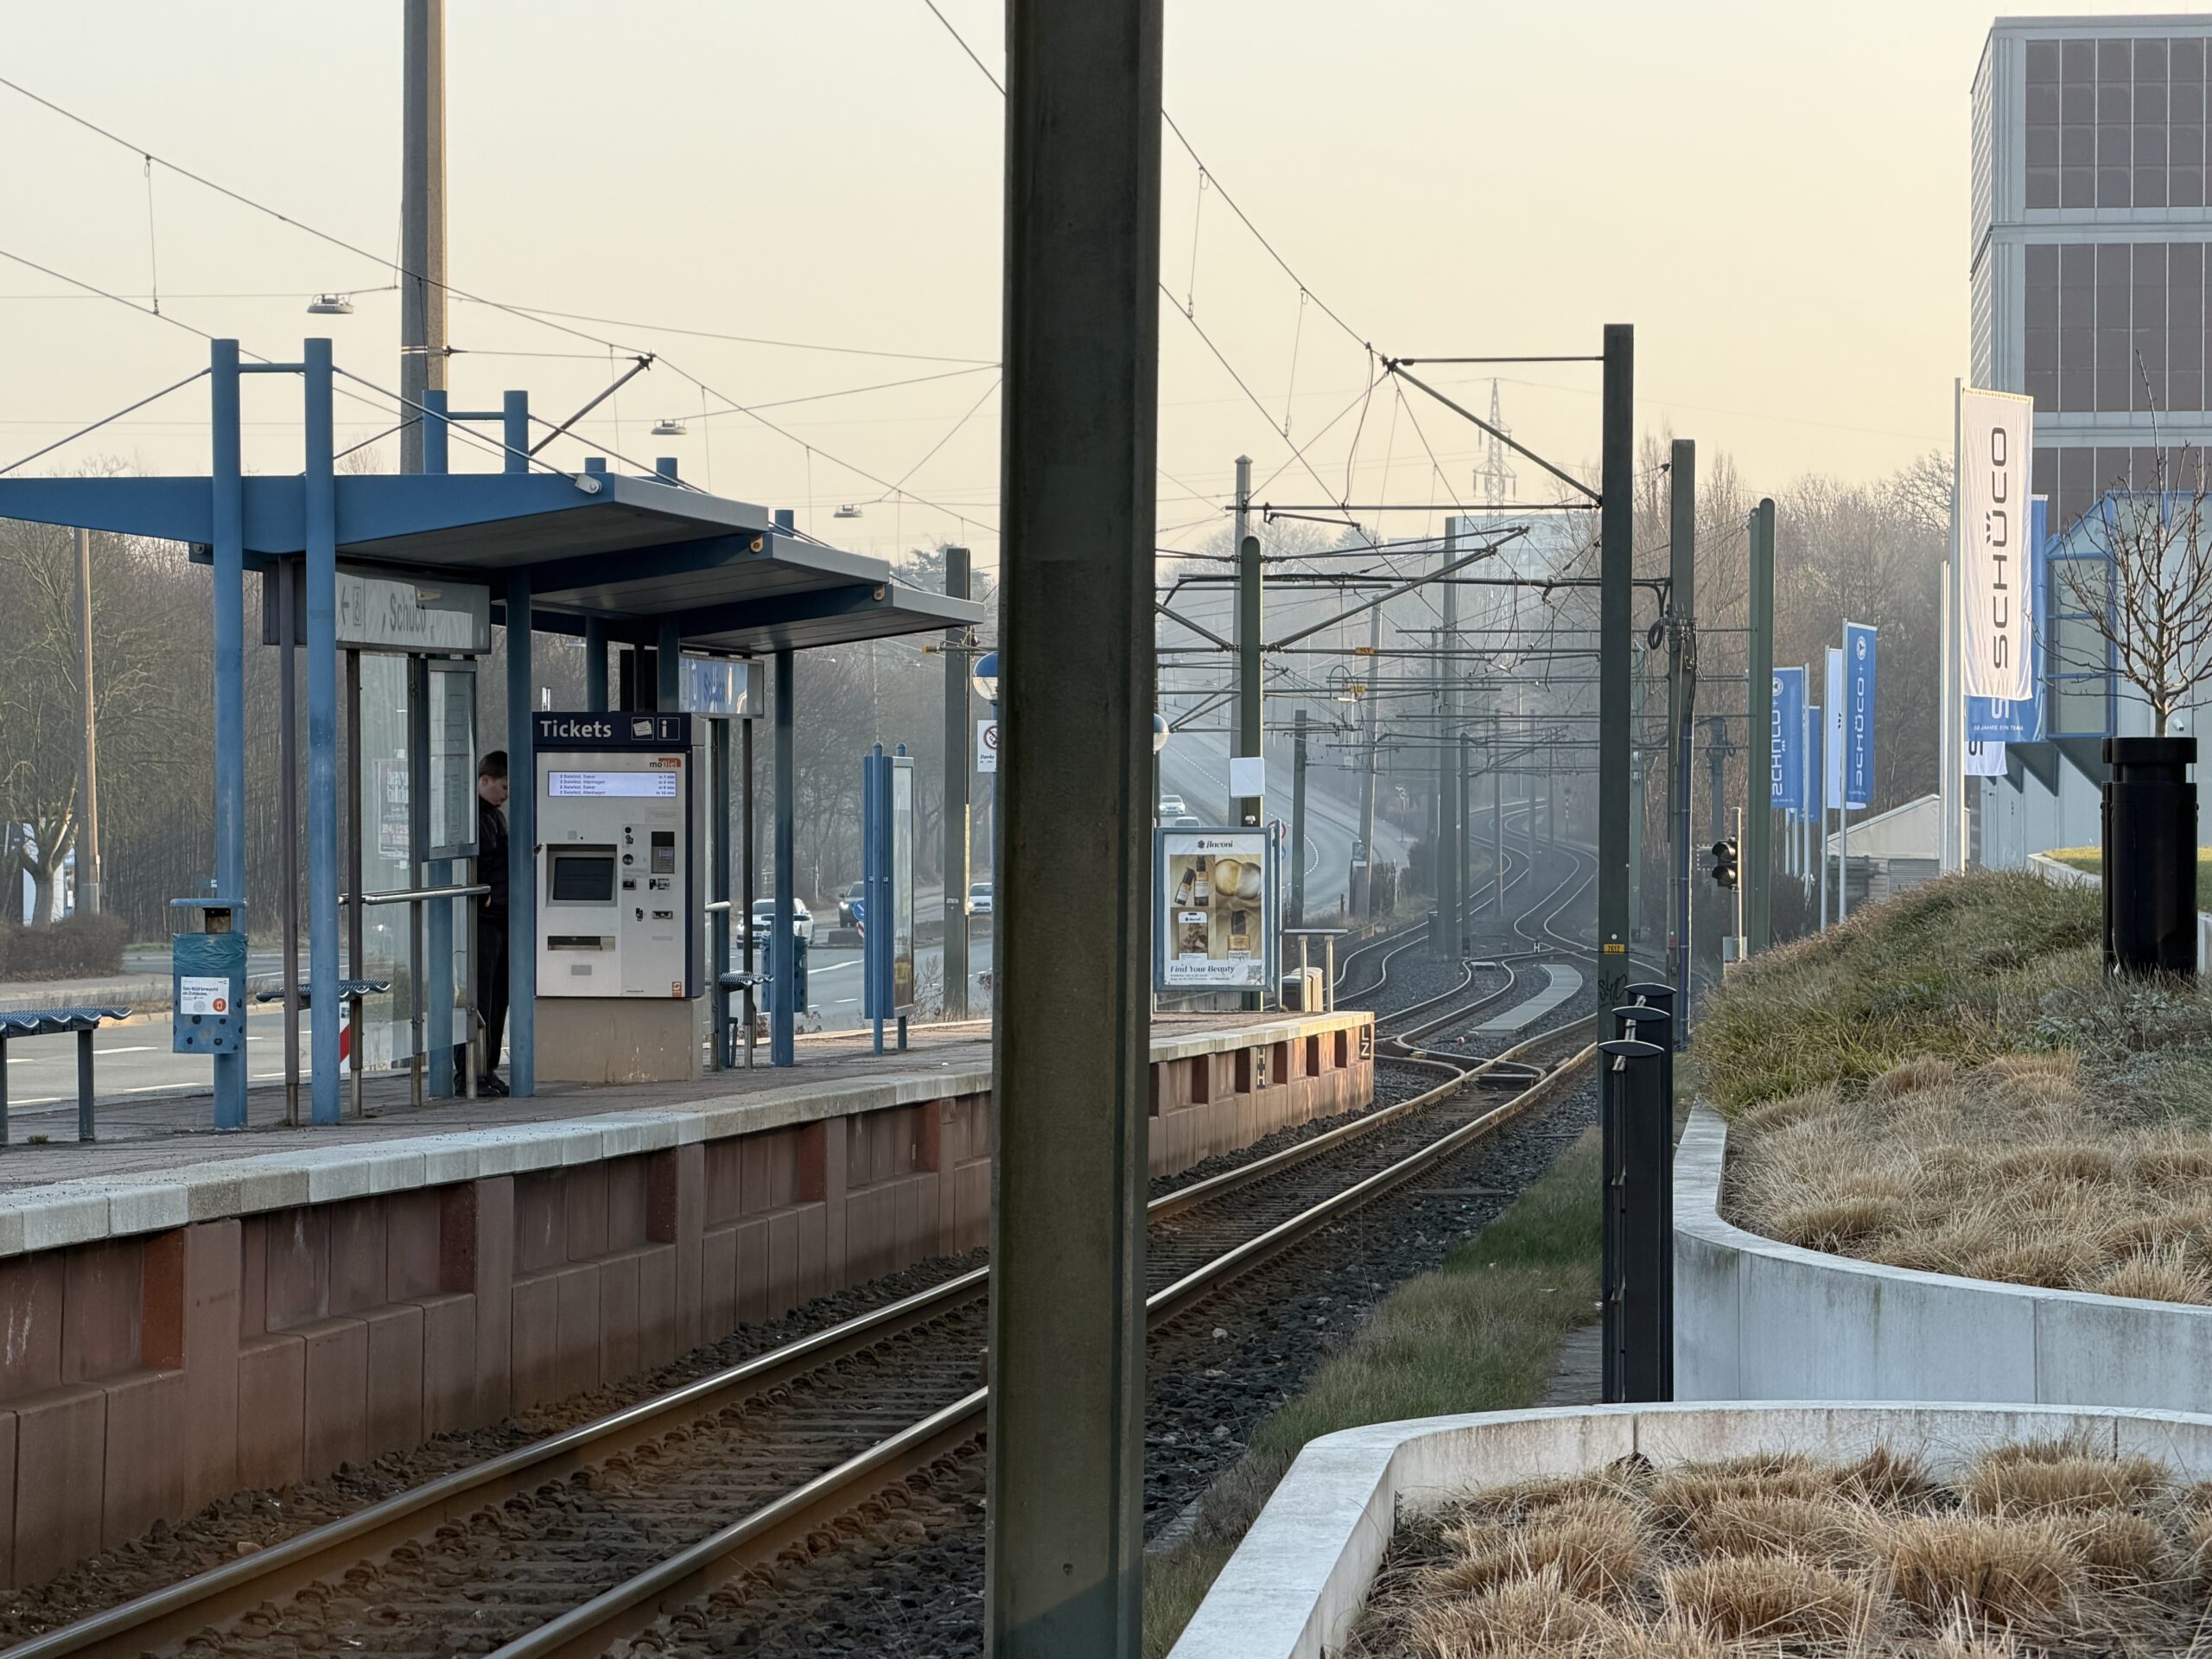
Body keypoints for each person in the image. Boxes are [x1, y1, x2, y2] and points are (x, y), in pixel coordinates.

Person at [458, 750, 511, 1096]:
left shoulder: (492, 816)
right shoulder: (473, 818)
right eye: (502, 786)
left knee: (497, 996)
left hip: (498, 915)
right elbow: (471, 865)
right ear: (484, 780)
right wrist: (484, 898)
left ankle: (486, 1069)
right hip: (484, 919)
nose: (506, 793)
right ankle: (471, 1072)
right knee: (482, 997)